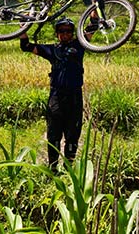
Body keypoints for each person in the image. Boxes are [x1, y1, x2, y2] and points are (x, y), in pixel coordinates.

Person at [19, 17, 91, 172]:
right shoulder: (52, 49)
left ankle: (69, 169)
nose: (65, 34)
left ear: (73, 33)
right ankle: (52, 169)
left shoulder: (80, 45)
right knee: (54, 135)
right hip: (56, 97)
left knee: (73, 135)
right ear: (57, 33)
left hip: (75, 97)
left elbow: (93, 27)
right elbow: (26, 46)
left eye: (68, 31)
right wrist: (22, 29)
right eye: (61, 31)